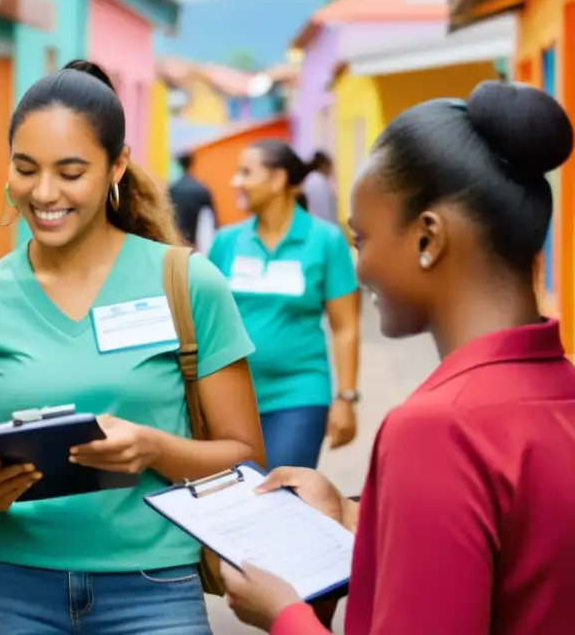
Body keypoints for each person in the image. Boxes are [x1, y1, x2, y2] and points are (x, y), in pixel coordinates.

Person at [222, 81, 575, 634]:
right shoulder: (558, 391)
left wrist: (284, 614)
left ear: (428, 237)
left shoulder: (437, 429)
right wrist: (352, 512)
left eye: (361, 239)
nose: (358, 269)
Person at [0, 60, 265, 634]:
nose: (44, 193)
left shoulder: (187, 284)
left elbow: (243, 454)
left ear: (118, 165)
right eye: (26, 168)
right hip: (6, 591)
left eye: (71, 172)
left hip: (154, 590)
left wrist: (153, 447)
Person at [208, 140, 360, 469]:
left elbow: (345, 325)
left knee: (281, 496)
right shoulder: (226, 242)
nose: (236, 182)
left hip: (299, 393)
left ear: (277, 180)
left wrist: (345, 398)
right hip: (230, 398)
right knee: (234, 504)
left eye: (246, 172)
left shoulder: (326, 240)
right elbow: (204, 320)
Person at [168, 151, 216, 250]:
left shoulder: (173, 188)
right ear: (192, 163)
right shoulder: (201, 188)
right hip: (197, 244)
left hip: (176, 242)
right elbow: (211, 220)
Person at [301, 150, 338, 224]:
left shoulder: (308, 181)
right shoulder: (320, 182)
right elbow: (326, 212)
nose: (331, 171)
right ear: (324, 165)